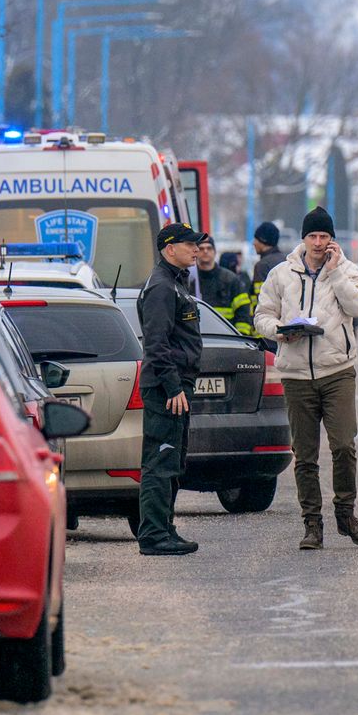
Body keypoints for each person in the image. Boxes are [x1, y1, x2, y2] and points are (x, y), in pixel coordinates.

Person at [254, 206, 358, 551]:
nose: (319, 243)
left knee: (344, 446)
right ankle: (312, 524)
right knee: (305, 455)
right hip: (295, 374)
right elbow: (262, 315)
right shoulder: (282, 273)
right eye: (313, 236)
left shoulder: (348, 270)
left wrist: (335, 274)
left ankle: (346, 514)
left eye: (324, 236)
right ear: (303, 239)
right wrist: (280, 331)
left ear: (332, 239)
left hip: (336, 371)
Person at [134, 223, 206, 556]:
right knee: (160, 460)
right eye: (191, 244)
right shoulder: (162, 287)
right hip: (167, 388)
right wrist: (173, 386)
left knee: (173, 460)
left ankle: (164, 527)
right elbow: (157, 344)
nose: (197, 250)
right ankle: (153, 535)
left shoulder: (175, 283)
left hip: (176, 385)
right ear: (169, 248)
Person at [194, 238, 251, 332]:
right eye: (201, 248)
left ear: (215, 252)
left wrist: (241, 338)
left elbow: (243, 312)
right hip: (198, 338)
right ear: (195, 252)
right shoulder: (189, 279)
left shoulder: (231, 279)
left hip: (226, 339)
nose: (205, 251)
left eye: (209, 248)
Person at [250, 221, 282, 307]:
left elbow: (261, 299)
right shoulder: (287, 260)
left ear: (263, 240)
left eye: (256, 239)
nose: (253, 243)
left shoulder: (262, 266)